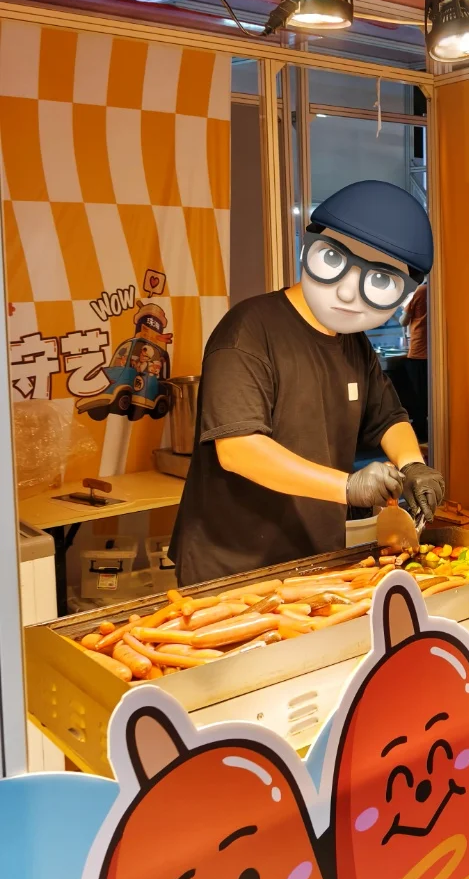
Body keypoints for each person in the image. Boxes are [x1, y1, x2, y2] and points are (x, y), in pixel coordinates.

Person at [170, 180, 445, 586]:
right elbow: (239, 449)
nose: (348, 293)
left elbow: (387, 416)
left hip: (313, 556)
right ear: (310, 248)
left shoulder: (352, 341)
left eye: (380, 282)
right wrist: (348, 487)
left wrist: (412, 463)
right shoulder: (248, 330)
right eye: (334, 259)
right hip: (233, 565)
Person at [400, 278, 428, 441]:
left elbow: (403, 320)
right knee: (428, 395)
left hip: (418, 350)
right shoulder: (436, 290)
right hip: (431, 352)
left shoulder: (420, 291)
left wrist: (403, 307)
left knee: (417, 396)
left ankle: (420, 433)